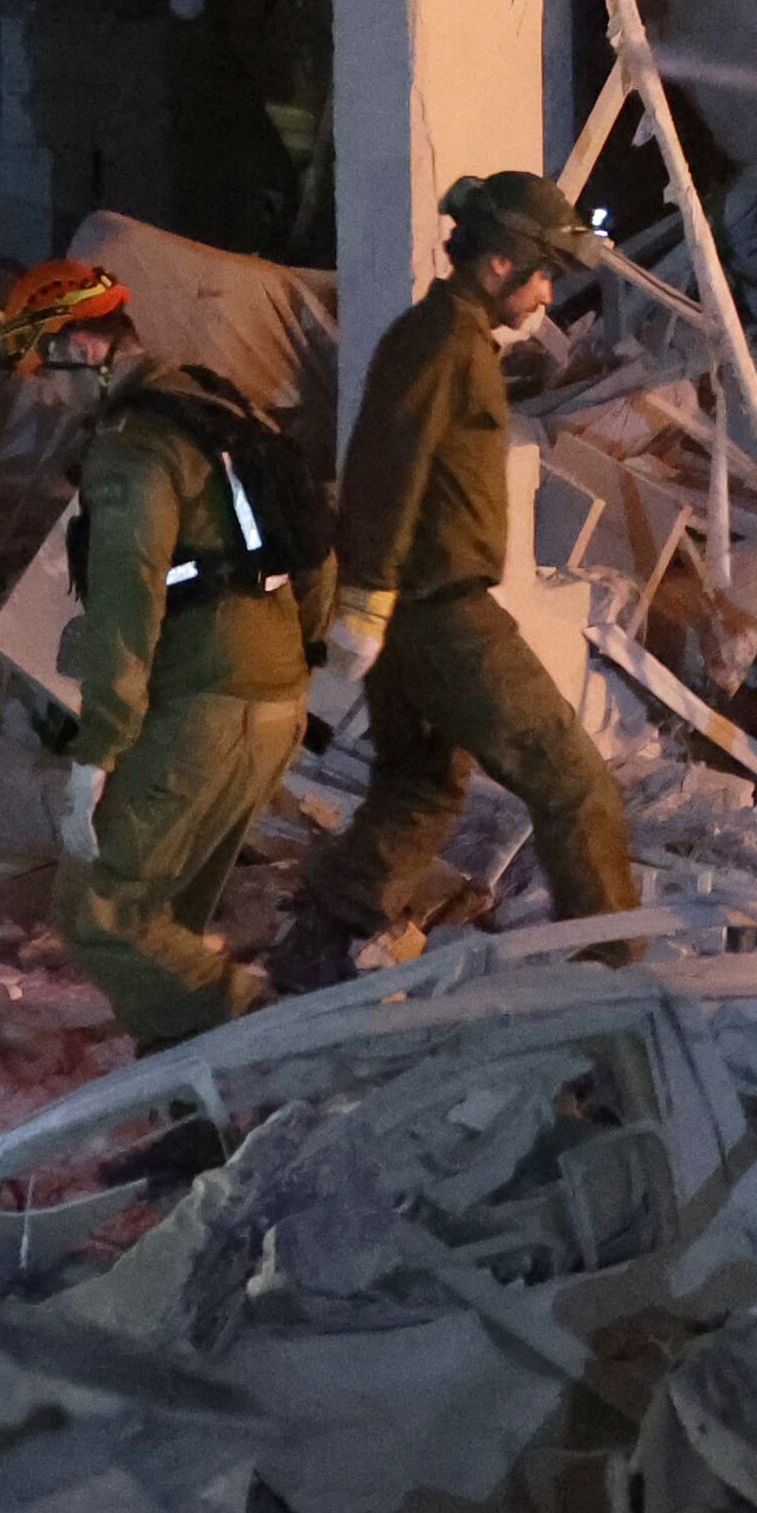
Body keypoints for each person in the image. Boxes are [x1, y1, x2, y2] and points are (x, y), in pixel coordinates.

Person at [265, 171, 639, 991]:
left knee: (422, 785)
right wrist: (367, 597)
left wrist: (373, 603)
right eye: (542, 273)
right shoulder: (442, 342)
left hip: (413, 609)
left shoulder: (444, 337)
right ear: (499, 262)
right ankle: (614, 981)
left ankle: (317, 945)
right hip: (441, 614)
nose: (547, 294)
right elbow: (385, 466)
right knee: (575, 785)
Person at [0, 260, 319, 1050]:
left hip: (209, 711)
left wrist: (97, 752)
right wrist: (300, 653)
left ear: (84, 345)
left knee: (100, 912)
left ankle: (276, 1039)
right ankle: (195, 1093)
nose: (48, 394)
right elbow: (316, 542)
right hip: (273, 703)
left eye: (48, 371)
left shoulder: (131, 448)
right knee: (165, 922)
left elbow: (126, 601)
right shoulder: (219, 405)